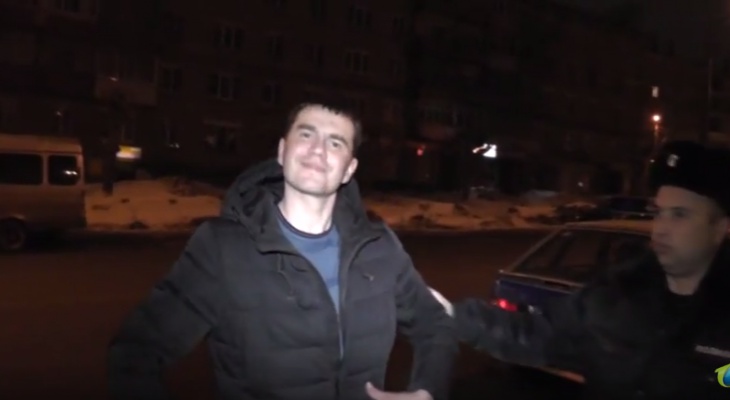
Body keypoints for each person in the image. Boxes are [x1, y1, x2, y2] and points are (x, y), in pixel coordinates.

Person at [107, 102, 457, 400]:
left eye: (335, 143)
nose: (318, 150)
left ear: (349, 169)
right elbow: (136, 350)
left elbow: (435, 322)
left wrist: (427, 390)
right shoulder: (223, 248)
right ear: (281, 151)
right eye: (306, 135)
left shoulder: (380, 246)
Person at [430, 140, 730, 399]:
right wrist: (447, 315)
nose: (660, 229)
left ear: (720, 228)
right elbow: (535, 334)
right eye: (659, 213)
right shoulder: (617, 296)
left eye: (679, 215)